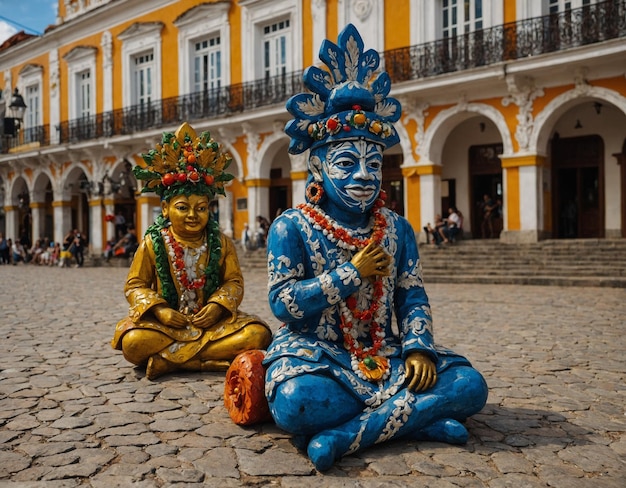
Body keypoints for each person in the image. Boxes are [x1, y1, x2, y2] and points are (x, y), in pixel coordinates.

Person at [255, 25, 488, 471]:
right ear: (318, 170)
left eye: (374, 163)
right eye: (347, 163)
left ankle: (345, 436)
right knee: (294, 402)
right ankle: (423, 420)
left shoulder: (397, 229)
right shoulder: (291, 227)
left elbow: (411, 295)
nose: (363, 175)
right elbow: (283, 305)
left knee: (469, 385)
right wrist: (351, 273)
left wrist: (419, 347)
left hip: (388, 352)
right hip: (317, 356)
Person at [111, 122, 272, 380]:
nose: (193, 215)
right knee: (133, 342)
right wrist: (161, 311)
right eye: (183, 207)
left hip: (212, 325)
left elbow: (233, 282)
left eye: (201, 208)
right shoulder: (153, 243)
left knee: (257, 335)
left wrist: (218, 307)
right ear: (165, 209)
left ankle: (172, 361)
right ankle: (205, 360)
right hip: (166, 327)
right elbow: (134, 285)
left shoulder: (221, 242)